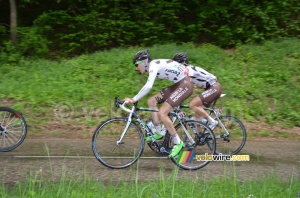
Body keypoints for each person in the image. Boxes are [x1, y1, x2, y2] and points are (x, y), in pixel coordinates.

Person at [124, 49, 193, 157]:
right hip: (179, 84)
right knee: (151, 101)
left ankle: (177, 142)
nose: (136, 68)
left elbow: (148, 86)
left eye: (136, 64)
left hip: (184, 85)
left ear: (144, 61)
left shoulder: (153, 65)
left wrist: (134, 99)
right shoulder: (154, 64)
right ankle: (159, 132)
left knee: (162, 113)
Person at [172, 52, 222, 129]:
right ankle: (200, 139)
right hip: (213, 88)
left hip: (214, 88)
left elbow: (186, 86)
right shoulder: (190, 68)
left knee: (192, 105)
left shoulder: (188, 69)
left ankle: (212, 122)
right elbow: (214, 78)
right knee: (198, 115)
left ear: (181, 63)